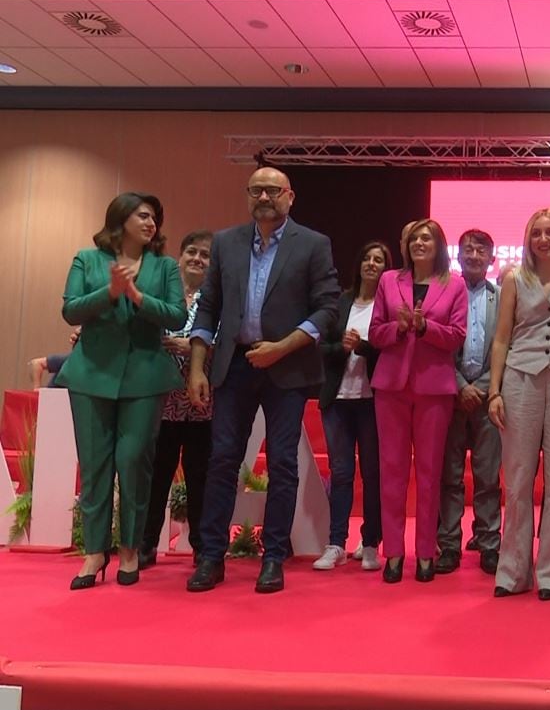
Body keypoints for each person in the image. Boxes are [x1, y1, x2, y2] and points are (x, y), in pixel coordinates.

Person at [186, 166, 340, 594]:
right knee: (221, 462)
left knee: (283, 465)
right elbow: (208, 306)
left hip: (288, 367)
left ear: (290, 197)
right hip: (234, 365)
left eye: (273, 190)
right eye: (256, 190)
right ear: (248, 196)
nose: (264, 197)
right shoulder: (226, 242)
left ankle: (274, 557)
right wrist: (198, 365)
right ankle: (212, 556)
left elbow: (327, 309)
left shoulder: (312, 244)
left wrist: (283, 346)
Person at [57, 192, 187, 589]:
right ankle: (95, 553)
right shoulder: (87, 259)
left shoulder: (164, 266)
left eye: (154, 218)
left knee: (133, 462)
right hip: (91, 374)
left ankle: (130, 548)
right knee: (95, 466)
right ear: (121, 219)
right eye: (143, 215)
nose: (151, 223)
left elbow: (178, 315)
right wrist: (109, 293)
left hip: (145, 376)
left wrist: (138, 297)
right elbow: (71, 310)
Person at [488, 208, 550, 601]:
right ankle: (512, 572)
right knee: (518, 481)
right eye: (536, 233)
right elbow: (500, 338)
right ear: (528, 239)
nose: (543, 239)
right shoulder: (513, 278)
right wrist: (494, 391)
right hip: (520, 380)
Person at [369, 219, 467, 583]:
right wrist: (400, 327)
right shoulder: (389, 280)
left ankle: (426, 552)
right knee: (391, 471)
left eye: (427, 238)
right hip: (392, 387)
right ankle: (393, 553)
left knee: (429, 474)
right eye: (414, 238)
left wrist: (426, 328)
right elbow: (376, 332)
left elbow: (457, 335)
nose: (419, 243)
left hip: (434, 388)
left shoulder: (453, 284)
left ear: (439, 245)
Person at [313, 242, 392, 572]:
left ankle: (371, 542)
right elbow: (322, 347)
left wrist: (362, 347)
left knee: (373, 474)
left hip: (373, 402)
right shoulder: (341, 301)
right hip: (338, 401)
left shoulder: (389, 306)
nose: (372, 264)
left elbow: (392, 350)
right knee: (341, 473)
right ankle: (335, 543)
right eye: (367, 258)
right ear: (359, 264)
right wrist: (343, 349)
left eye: (379, 260)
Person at [138, 230, 214, 570]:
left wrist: (194, 347)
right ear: (180, 257)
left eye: (205, 255)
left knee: (200, 479)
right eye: (191, 252)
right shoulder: (161, 295)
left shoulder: (216, 300)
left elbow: (226, 341)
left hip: (202, 407)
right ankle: (145, 546)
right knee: (157, 478)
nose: (197, 259)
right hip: (162, 404)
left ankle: (201, 548)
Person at [437, 229, 503, 576]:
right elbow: (439, 345)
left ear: (492, 259)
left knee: (488, 477)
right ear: (457, 256)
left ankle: (489, 543)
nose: (474, 255)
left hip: (489, 398)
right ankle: (448, 544)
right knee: (449, 476)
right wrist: (461, 384)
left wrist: (482, 386)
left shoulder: (503, 296)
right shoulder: (445, 292)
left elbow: (504, 345)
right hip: (451, 396)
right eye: (468, 250)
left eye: (481, 250)